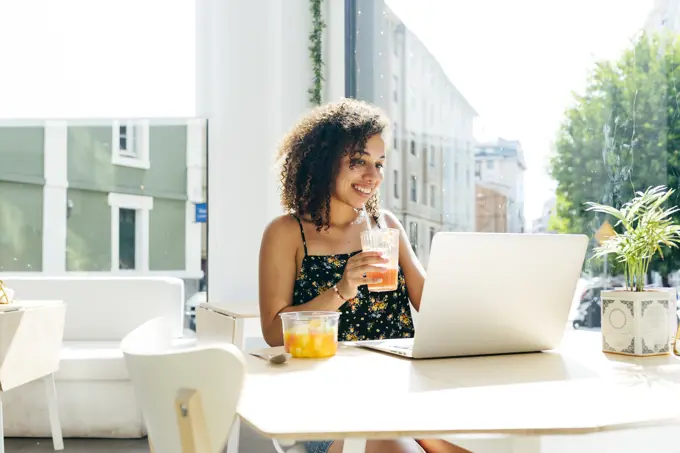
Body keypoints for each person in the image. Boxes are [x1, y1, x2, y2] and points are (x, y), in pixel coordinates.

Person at [258, 98, 472, 453]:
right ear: (324, 162)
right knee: (399, 443)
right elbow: (272, 332)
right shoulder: (286, 232)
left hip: (399, 387)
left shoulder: (386, 225)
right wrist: (342, 289)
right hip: (327, 397)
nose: (373, 177)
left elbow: (430, 304)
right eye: (359, 162)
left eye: (379, 164)